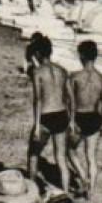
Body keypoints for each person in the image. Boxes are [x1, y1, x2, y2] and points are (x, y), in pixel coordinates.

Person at [25, 34, 72, 191]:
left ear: (38, 53)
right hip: (61, 114)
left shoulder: (38, 72)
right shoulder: (63, 71)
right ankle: (65, 192)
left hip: (46, 116)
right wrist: (71, 120)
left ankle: (31, 189)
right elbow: (68, 97)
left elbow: (38, 100)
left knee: (33, 154)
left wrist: (37, 126)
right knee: (61, 158)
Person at [69, 40, 102, 198]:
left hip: (79, 116)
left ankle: (82, 177)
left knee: (70, 150)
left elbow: (71, 103)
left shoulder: (75, 77)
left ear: (81, 55)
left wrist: (71, 121)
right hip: (95, 117)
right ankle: (91, 190)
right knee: (91, 156)